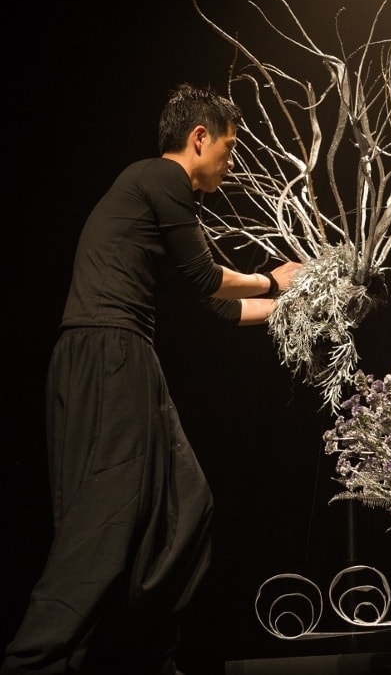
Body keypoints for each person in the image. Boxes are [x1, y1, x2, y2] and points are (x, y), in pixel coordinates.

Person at [2, 83, 303, 674]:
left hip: (121, 355)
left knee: (185, 506)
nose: (231, 163)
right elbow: (209, 278)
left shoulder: (157, 200)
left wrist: (307, 304)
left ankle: (137, 655)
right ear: (199, 138)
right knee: (105, 516)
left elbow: (218, 305)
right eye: (229, 148)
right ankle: (35, 661)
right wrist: (274, 279)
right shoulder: (163, 178)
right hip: (107, 351)